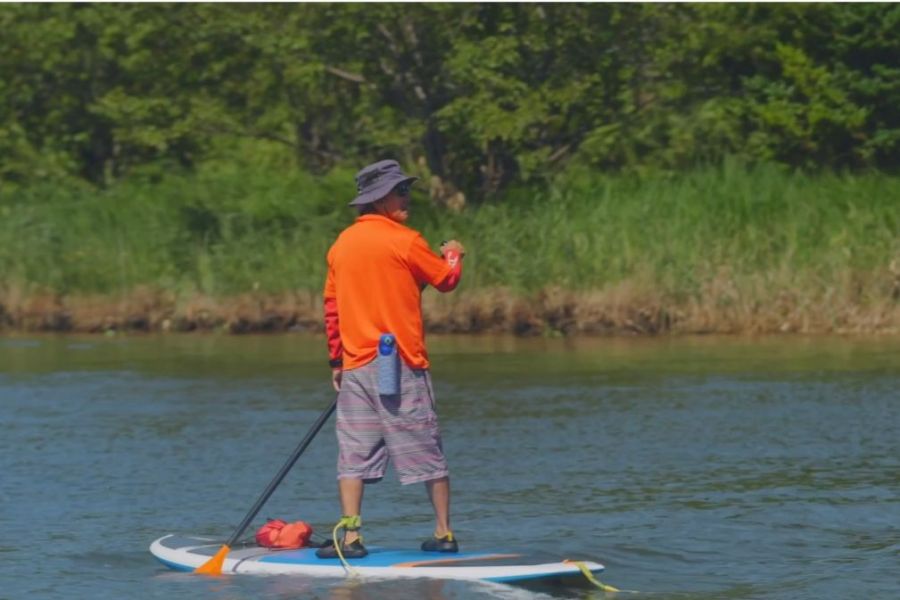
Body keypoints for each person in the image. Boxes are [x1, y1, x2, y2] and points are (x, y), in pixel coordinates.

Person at [316, 159, 465, 559]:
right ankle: (444, 533)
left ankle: (351, 537)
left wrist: (336, 363)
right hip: (399, 364)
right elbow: (446, 281)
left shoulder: (340, 245)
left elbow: (332, 309)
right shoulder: (406, 240)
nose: (407, 198)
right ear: (379, 199)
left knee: (353, 450)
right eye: (401, 191)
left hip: (356, 366)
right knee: (424, 446)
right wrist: (453, 254)